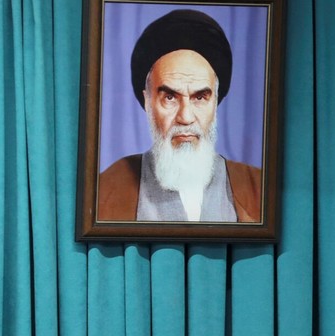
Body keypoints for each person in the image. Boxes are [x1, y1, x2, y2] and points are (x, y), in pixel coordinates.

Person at [98, 9, 262, 223]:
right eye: (170, 98)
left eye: (200, 97)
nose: (185, 117)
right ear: (147, 101)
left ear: (215, 101)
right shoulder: (107, 190)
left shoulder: (258, 188)